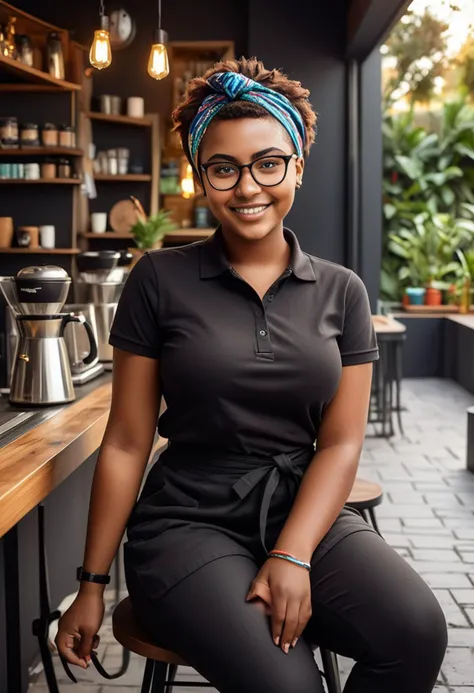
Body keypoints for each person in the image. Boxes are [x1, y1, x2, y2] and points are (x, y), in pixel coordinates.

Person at [56, 57, 447, 693]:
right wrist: (91, 585)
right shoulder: (158, 280)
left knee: (417, 632)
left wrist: (292, 552)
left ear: (296, 165)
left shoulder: (342, 292)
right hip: (186, 522)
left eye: (268, 163)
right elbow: (127, 440)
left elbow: (342, 442)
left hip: (302, 509)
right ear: (200, 178)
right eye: (224, 168)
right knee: (287, 685)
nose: (248, 187)